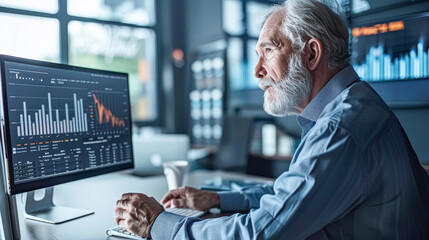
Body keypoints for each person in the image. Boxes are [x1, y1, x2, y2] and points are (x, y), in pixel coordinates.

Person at [114, 0, 429, 239]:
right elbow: (294, 197)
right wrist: (218, 198)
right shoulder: (354, 106)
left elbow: (260, 233)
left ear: (311, 54)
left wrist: (158, 224)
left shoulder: (339, 131)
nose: (257, 71)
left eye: (268, 50)